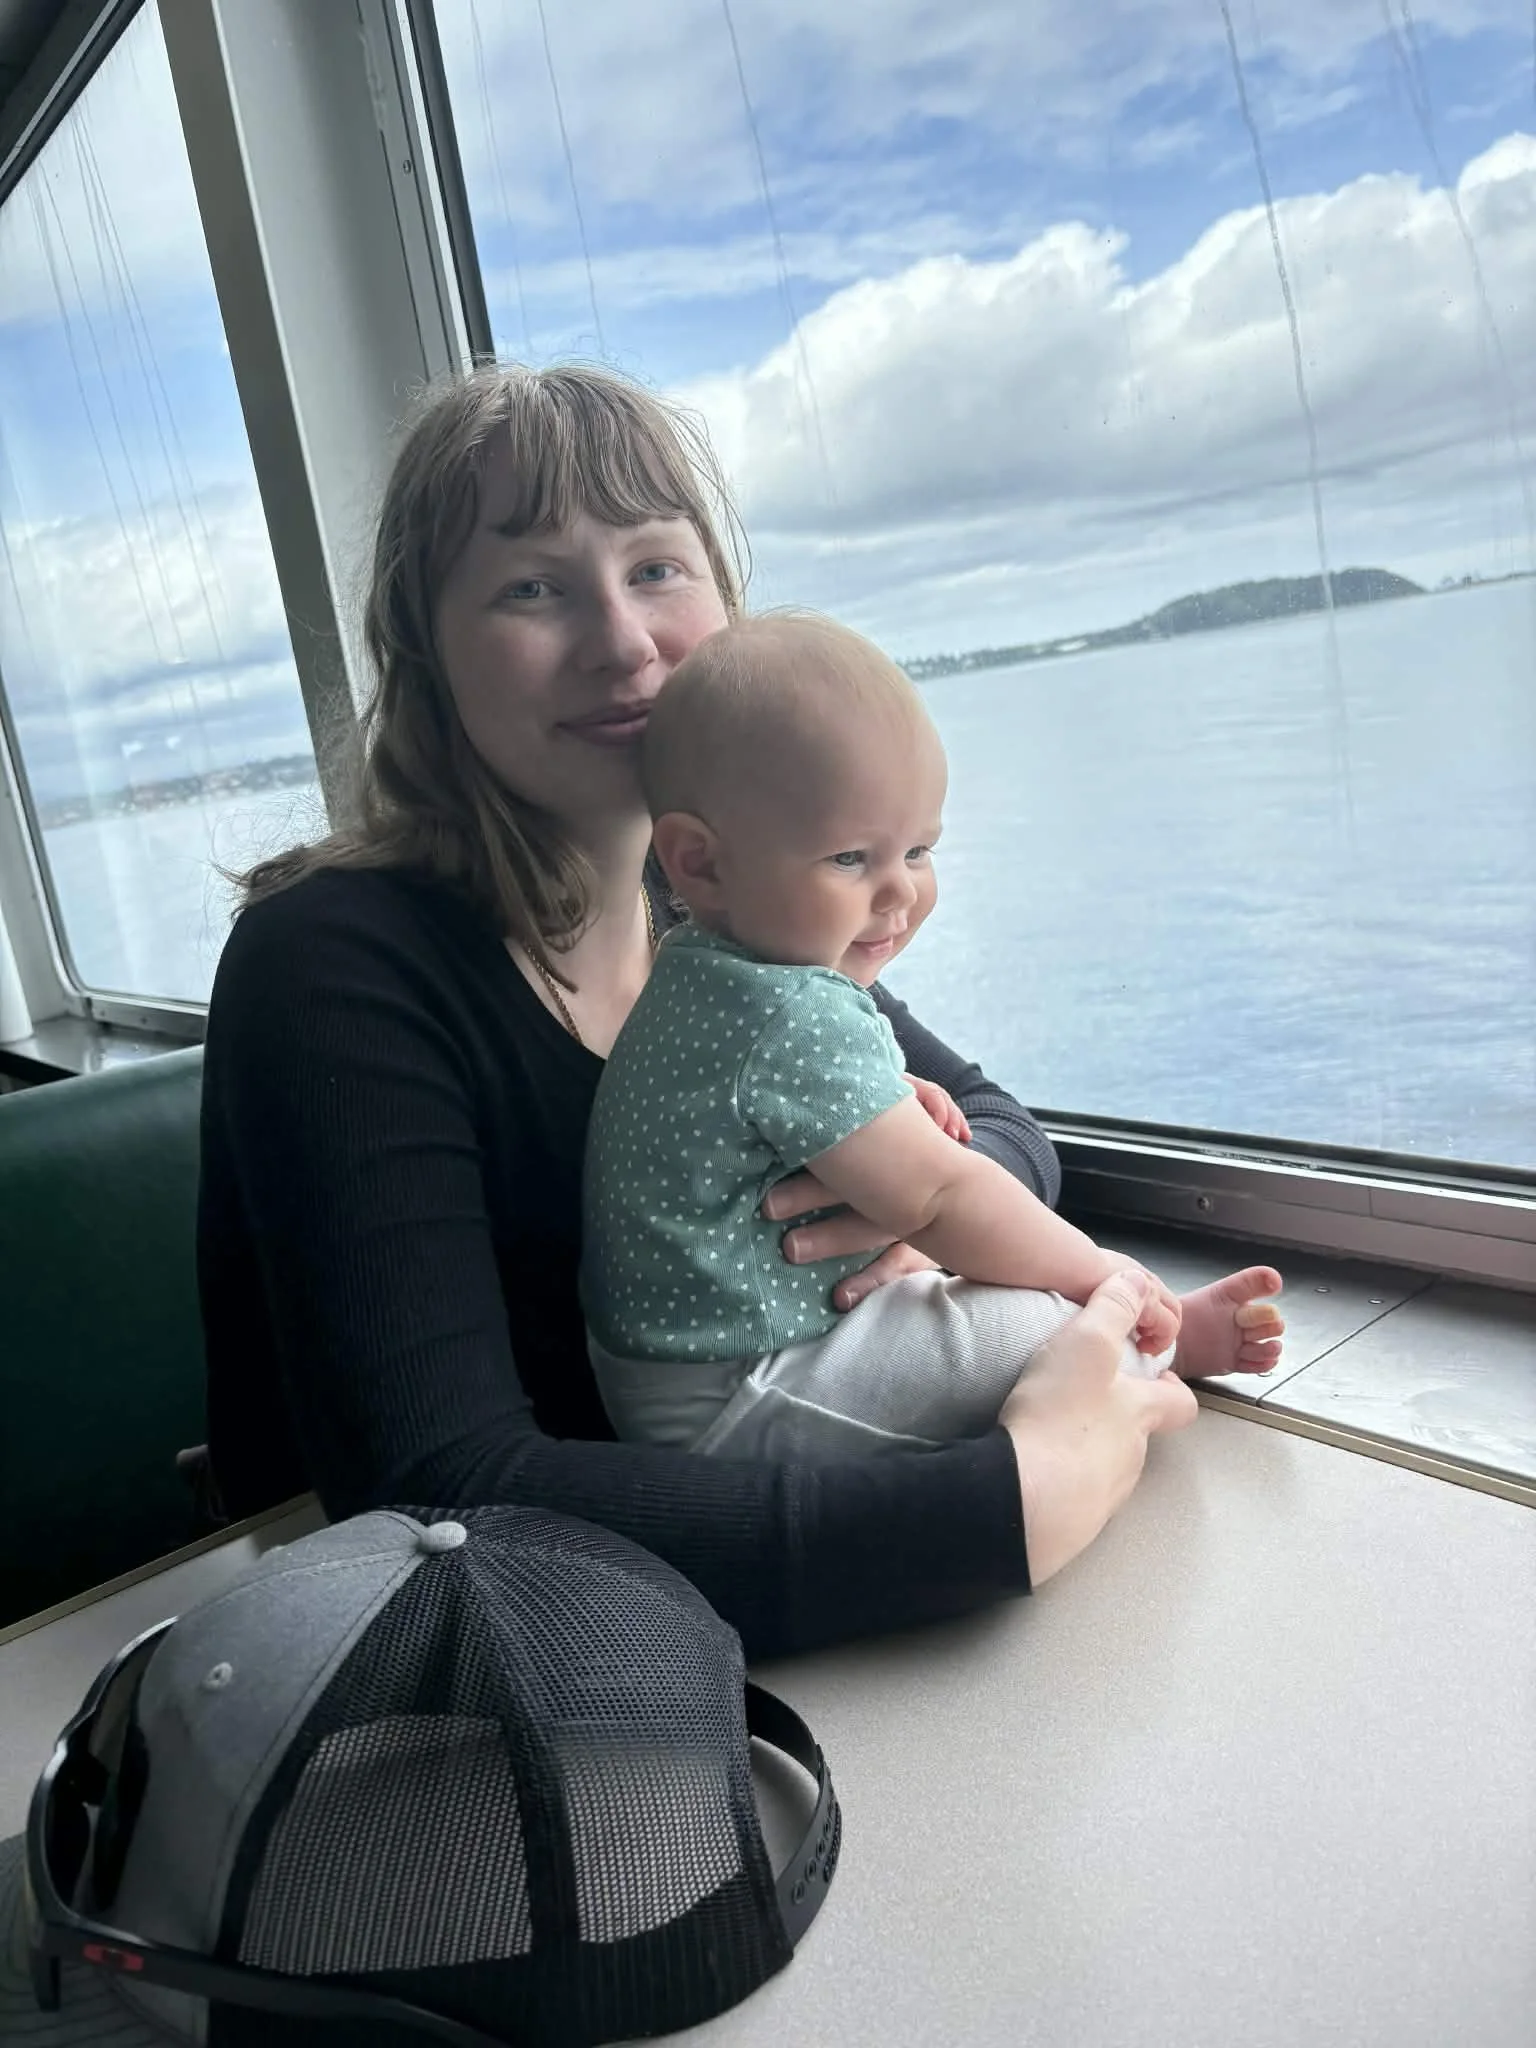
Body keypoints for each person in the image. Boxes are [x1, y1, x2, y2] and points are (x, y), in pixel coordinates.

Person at [199, 361, 1201, 1662]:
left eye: (659, 569)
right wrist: (1001, 1506)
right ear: (424, 654)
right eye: (532, 588)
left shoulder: (712, 907)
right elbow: (440, 1493)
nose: (623, 643)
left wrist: (911, 1191)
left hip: (712, 1616)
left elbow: (1006, 1127)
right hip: (427, 1675)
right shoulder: (331, 966)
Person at [581, 612, 1285, 1461]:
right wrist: (1106, 1274)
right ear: (699, 862)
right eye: (851, 858)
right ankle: (1158, 1346)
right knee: (1030, 1321)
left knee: (981, 1279)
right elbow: (944, 1196)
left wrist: (888, 1108)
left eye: (918, 850)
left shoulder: (707, 968)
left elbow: (764, 1121)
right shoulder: (790, 1009)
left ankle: (1152, 1336)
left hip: (688, 1366)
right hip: (739, 1391)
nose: (900, 895)